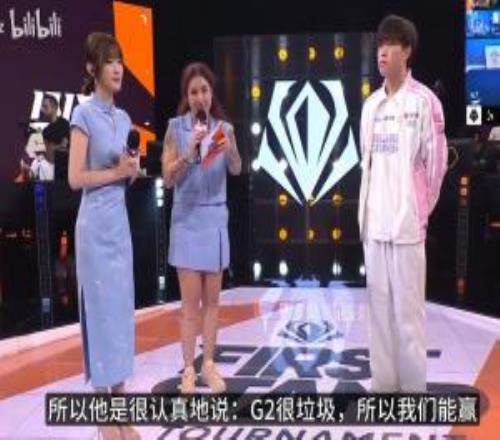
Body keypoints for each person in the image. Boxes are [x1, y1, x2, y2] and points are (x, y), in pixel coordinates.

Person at [358, 15, 448, 392]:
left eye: (391, 45)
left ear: (407, 51)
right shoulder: (371, 105)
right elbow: (366, 163)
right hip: (374, 226)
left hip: (408, 227)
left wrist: (418, 211)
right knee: (378, 316)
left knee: (409, 317)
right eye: (380, 45)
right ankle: (383, 387)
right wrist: (365, 217)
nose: (383, 52)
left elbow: (436, 165)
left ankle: (412, 393)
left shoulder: (425, 102)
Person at [68, 32, 140, 440]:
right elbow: (75, 178)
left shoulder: (126, 118)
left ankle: (121, 410)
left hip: (120, 226)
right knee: (100, 316)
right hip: (94, 228)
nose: (117, 68)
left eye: (120, 60)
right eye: (109, 61)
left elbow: (125, 175)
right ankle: (102, 415)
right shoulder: (83, 115)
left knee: (120, 317)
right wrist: (116, 173)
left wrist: (130, 170)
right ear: (92, 68)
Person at [162, 62, 242, 393]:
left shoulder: (224, 129)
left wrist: (230, 148)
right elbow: (168, 179)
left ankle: (208, 364)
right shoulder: (175, 128)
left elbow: (236, 169)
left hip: (215, 221)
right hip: (187, 222)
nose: (200, 97)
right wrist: (188, 153)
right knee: (189, 307)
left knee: (212, 304)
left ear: (211, 94)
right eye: (194, 92)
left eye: (204, 90)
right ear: (187, 96)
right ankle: (188, 370)